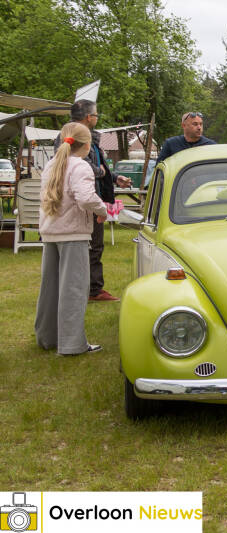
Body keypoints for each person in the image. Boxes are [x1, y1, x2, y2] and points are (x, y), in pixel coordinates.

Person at [35, 122, 108, 355]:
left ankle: (47, 337)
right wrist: (102, 211)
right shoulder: (81, 166)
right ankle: (72, 344)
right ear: (87, 145)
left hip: (50, 231)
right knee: (74, 289)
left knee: (50, 288)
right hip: (72, 233)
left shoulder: (52, 164)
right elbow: (86, 197)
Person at [54, 99, 131, 302]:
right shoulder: (68, 137)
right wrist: (100, 172)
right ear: (89, 117)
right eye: (96, 115)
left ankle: (92, 289)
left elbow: (98, 164)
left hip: (89, 198)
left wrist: (114, 177)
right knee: (85, 249)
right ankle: (89, 291)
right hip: (78, 204)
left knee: (95, 247)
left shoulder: (90, 138)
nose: (97, 118)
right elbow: (76, 165)